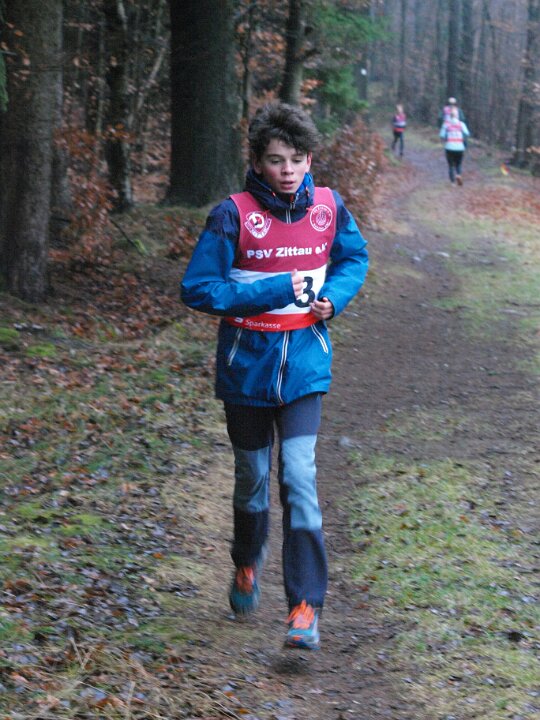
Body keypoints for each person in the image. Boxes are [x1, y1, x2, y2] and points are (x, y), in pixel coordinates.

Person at [180, 102, 368, 650]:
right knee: (253, 478)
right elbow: (198, 289)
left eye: (297, 159)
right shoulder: (232, 215)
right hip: (246, 369)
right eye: (276, 160)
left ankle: (305, 607)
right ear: (258, 162)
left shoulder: (329, 207)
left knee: (300, 479)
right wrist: (276, 288)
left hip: (306, 366)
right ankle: (246, 561)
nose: (288, 170)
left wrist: (335, 297)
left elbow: (354, 259)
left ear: (310, 160)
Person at [440, 106, 470, 185]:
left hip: (449, 147)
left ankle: (452, 182)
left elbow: (442, 135)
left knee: (451, 165)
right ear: (457, 115)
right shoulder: (461, 124)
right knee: (458, 164)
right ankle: (458, 175)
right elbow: (467, 133)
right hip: (460, 147)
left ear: (450, 115)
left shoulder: (446, 124)